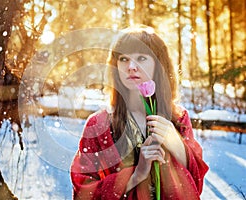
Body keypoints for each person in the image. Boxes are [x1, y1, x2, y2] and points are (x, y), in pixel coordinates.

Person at [70, 25, 209, 200]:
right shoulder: (99, 124)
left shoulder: (178, 118)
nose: (131, 67)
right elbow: (83, 191)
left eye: (141, 58)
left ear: (159, 65)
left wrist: (176, 144)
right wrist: (136, 175)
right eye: (123, 59)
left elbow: (196, 182)